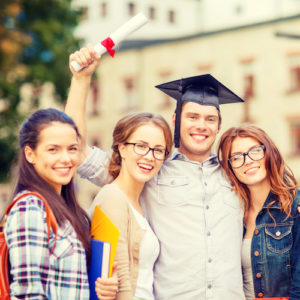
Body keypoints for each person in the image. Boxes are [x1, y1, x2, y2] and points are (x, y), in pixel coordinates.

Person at [66, 45, 246, 299]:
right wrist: (81, 80)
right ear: (175, 120)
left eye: (210, 119)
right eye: (192, 116)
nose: (201, 126)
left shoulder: (237, 175)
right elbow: (79, 150)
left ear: (219, 126)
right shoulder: (150, 171)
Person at [68, 46, 173, 300]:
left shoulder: (142, 200)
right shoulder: (113, 199)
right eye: (141, 146)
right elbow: (119, 283)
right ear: (121, 149)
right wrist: (81, 79)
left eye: (159, 150)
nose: (149, 156)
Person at [3, 108, 91, 299]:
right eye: (53, 149)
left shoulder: (69, 210)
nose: (66, 158)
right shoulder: (30, 207)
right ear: (30, 154)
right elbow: (28, 293)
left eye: (72, 148)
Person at [217, 124, 300, 299]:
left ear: (269, 153)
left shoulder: (294, 208)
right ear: (230, 167)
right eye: (237, 157)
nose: (248, 161)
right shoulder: (231, 213)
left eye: (255, 151)